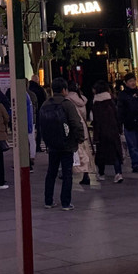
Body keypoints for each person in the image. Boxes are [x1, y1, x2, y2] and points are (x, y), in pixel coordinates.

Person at [38, 77, 83, 210]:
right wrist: (79, 138)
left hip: (52, 144)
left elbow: (41, 124)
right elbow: (75, 123)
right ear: (64, 90)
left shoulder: (46, 104)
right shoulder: (67, 104)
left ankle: (48, 200)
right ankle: (65, 202)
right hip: (67, 143)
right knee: (67, 173)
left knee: (51, 172)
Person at [91, 80, 123, 183]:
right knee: (115, 153)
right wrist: (119, 129)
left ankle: (101, 173)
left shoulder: (96, 104)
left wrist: (95, 137)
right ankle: (118, 173)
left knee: (101, 154)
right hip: (113, 132)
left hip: (102, 133)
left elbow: (96, 121)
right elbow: (117, 116)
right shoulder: (111, 101)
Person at [117, 73, 138, 172]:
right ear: (126, 83)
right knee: (132, 145)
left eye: (134, 80)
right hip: (129, 123)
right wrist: (120, 123)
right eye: (130, 81)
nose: (133, 83)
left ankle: (136, 162)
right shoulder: (123, 95)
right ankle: (135, 164)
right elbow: (121, 111)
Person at [66, 83, 96, 185]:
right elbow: (84, 115)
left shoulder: (67, 100)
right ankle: (86, 174)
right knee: (85, 151)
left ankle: (70, 171)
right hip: (83, 127)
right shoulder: (82, 100)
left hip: (73, 128)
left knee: (74, 152)